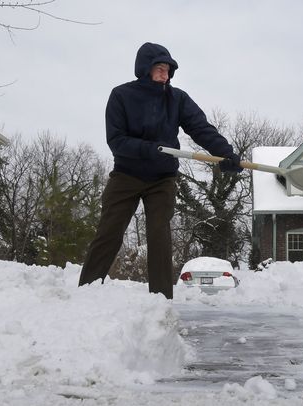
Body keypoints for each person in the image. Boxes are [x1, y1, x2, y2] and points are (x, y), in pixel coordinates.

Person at [79, 42, 242, 299]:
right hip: (126, 175)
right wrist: (149, 148)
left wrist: (226, 154)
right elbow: (116, 140)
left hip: (162, 179)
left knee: (159, 236)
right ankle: (86, 291)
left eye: (168, 69)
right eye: (159, 68)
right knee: (109, 232)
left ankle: (161, 300)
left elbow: (201, 128)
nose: (165, 74)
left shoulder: (177, 99)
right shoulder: (121, 95)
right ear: (145, 69)